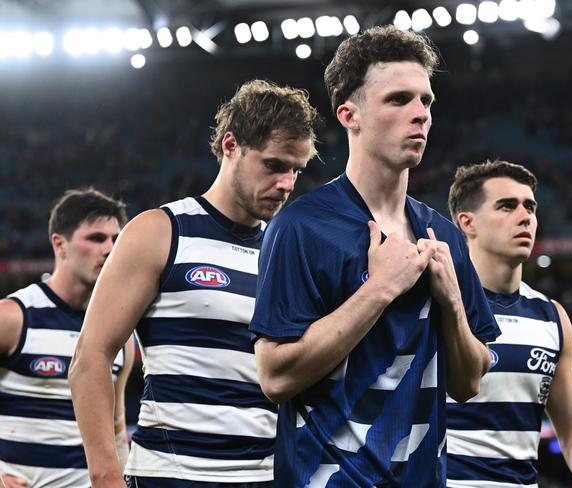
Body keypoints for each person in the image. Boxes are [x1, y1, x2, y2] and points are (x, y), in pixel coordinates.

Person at [249, 26, 500, 487]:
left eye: (426, 101)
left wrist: (452, 303)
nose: (420, 115)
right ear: (350, 115)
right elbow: (275, 377)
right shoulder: (301, 227)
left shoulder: (442, 236)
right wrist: (381, 287)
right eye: (398, 100)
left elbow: (468, 384)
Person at [69, 79, 319, 488]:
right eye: (274, 165)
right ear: (231, 145)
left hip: (268, 479)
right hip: (171, 478)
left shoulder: (289, 252)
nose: (287, 184)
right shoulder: (160, 232)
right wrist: (105, 478)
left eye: (296, 170)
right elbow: (91, 357)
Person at [446, 160, 572, 487]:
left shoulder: (551, 317)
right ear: (467, 223)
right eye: (506, 206)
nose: (525, 216)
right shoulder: (436, 302)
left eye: (530, 206)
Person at [0, 188, 133, 488]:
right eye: (97, 238)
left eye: (116, 239)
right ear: (60, 244)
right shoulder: (13, 317)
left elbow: (116, 429)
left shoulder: (122, 334)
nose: (110, 248)